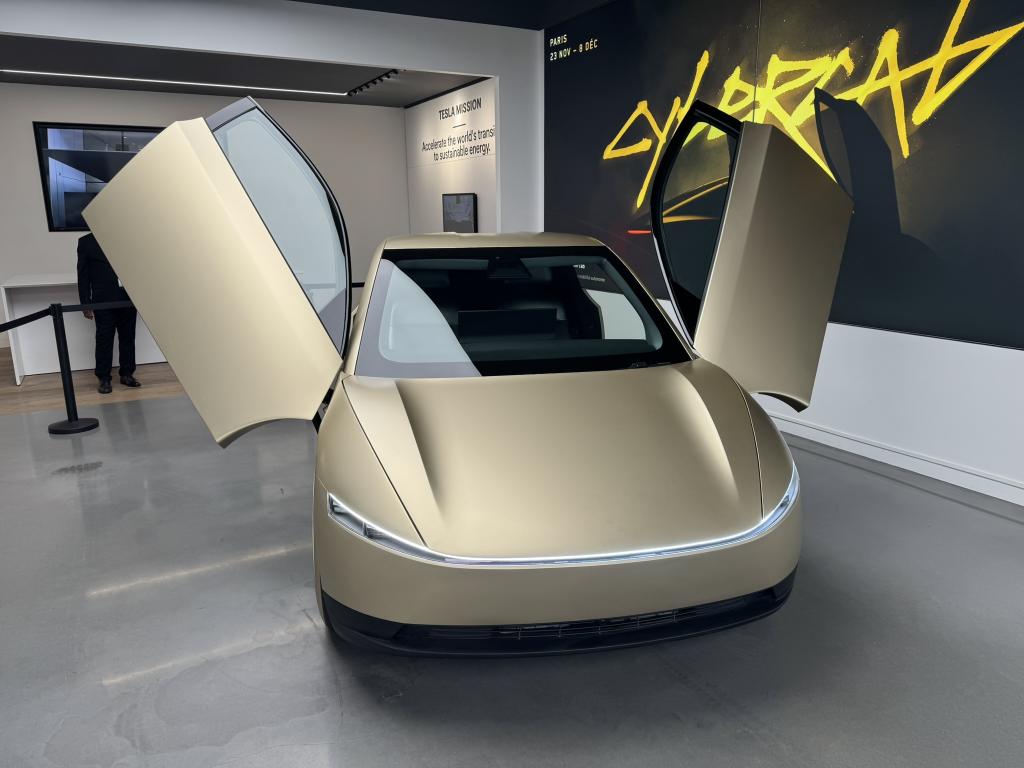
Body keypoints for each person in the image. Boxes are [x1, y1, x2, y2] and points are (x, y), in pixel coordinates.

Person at [76, 232, 140, 394]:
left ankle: (127, 374)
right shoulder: (86, 242)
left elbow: (139, 267)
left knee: (128, 337)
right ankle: (104, 378)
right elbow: (83, 275)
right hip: (103, 300)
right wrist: (85, 303)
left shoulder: (126, 237)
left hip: (127, 298)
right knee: (104, 339)